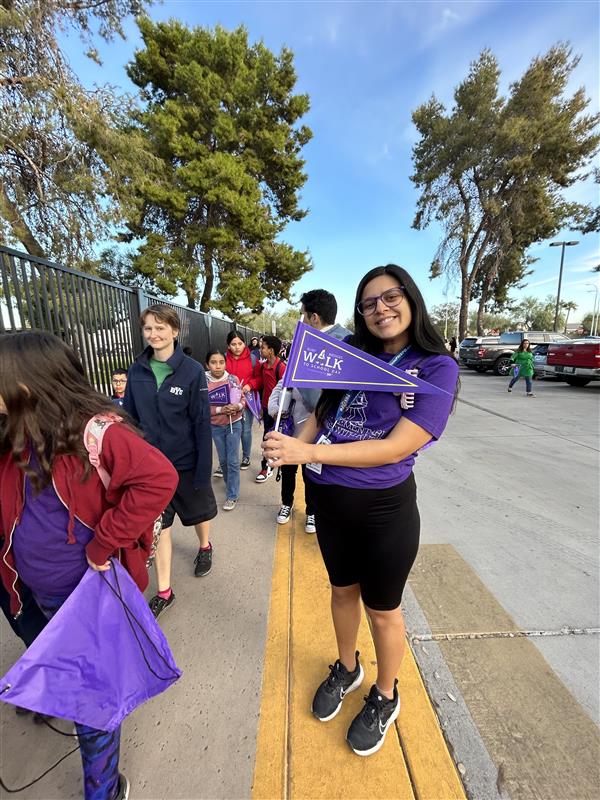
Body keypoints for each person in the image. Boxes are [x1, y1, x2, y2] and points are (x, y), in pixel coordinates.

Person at [262, 264, 459, 756]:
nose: (380, 309)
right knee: (341, 592)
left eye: (390, 297)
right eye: (369, 302)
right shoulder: (352, 353)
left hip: (383, 511)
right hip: (328, 501)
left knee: (384, 610)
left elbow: (396, 447)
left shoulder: (437, 368)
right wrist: (292, 442)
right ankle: (348, 667)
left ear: (411, 300)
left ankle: (385, 695)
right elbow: (323, 413)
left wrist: (309, 454)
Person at [0, 330, 178, 800]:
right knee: (65, 675)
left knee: (92, 701)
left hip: (84, 595)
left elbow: (159, 478)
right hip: (27, 591)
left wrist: (104, 545)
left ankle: (101, 790)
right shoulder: (14, 429)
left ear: (27, 383)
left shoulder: (96, 432)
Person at [124, 305, 217, 619]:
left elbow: (201, 423)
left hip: (186, 463)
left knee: (199, 513)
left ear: (175, 332)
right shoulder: (137, 370)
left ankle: (204, 546)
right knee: (159, 527)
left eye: (161, 328)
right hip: (151, 468)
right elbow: (130, 419)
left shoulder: (191, 371)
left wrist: (203, 471)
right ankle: (165, 590)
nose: (154, 334)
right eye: (148, 328)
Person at [268, 380, 316, 533]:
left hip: (311, 439)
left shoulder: (322, 376)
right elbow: (276, 393)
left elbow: (321, 402)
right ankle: (286, 504)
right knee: (288, 474)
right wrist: (275, 411)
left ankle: (312, 512)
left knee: (310, 478)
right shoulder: (291, 374)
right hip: (289, 435)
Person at [206, 349, 245, 511]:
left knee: (233, 460)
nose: (218, 366)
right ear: (207, 364)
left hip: (233, 424)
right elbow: (201, 407)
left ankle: (232, 495)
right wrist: (221, 410)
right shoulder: (202, 382)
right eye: (213, 362)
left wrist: (237, 406)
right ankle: (231, 484)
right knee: (223, 461)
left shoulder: (232, 379)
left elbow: (243, 399)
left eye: (221, 362)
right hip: (215, 426)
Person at [243, 335, 285, 482]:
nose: (260, 349)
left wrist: (281, 411)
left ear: (271, 350)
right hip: (267, 410)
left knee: (271, 439)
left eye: (263, 347)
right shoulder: (262, 366)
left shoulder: (281, 368)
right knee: (268, 437)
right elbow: (262, 386)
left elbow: (285, 391)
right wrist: (261, 407)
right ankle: (269, 464)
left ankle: (266, 468)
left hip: (278, 412)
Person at [225, 331, 258, 470]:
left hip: (247, 400)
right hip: (228, 402)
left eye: (240, 343)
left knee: (245, 430)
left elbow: (259, 378)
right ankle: (227, 459)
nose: (237, 347)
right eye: (233, 344)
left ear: (245, 343)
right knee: (229, 430)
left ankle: (246, 456)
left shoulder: (252, 359)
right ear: (228, 345)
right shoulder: (223, 358)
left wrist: (250, 385)